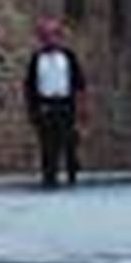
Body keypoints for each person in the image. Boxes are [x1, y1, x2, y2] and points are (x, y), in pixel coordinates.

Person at [23, 18, 87, 188]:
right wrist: (32, 109)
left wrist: (81, 109)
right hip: (46, 105)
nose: (49, 39)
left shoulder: (68, 57)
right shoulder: (37, 59)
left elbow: (79, 84)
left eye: (53, 35)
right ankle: (49, 177)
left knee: (68, 141)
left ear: (59, 37)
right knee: (47, 142)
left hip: (66, 104)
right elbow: (30, 85)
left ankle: (72, 171)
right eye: (45, 36)